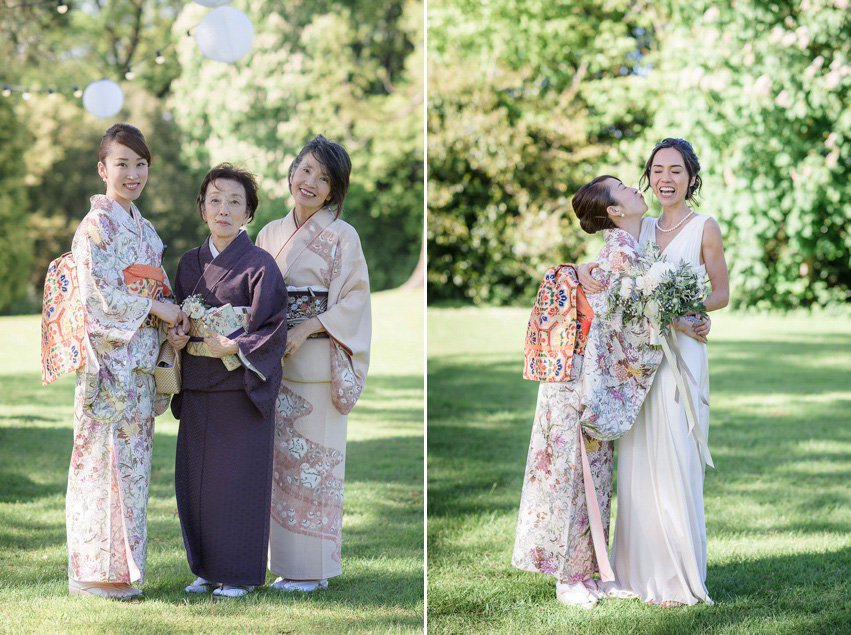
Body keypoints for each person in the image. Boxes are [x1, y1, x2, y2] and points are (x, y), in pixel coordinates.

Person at [580, 138, 729, 605]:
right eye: (658, 170)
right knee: (639, 464)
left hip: (682, 356)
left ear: (691, 178)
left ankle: (676, 577)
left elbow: (720, 294)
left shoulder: (704, 226)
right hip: (638, 362)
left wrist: (683, 310)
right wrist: (584, 270)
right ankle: (634, 573)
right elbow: (612, 283)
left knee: (677, 460)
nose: (666, 179)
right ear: (648, 176)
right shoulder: (636, 228)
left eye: (676, 171)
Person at [513, 176, 665, 608]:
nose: (637, 189)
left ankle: (584, 570)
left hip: (589, 376)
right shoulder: (620, 251)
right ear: (614, 211)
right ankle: (570, 578)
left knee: (588, 475)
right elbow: (619, 318)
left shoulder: (629, 247)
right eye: (624, 189)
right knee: (573, 475)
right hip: (580, 378)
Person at [66, 123, 186, 599]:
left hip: (137, 370)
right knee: (100, 465)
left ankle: (125, 573)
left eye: (140, 164)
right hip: (107, 368)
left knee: (134, 470)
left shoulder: (146, 228)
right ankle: (93, 573)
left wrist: (170, 324)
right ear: (103, 169)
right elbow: (94, 298)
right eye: (123, 164)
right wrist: (155, 307)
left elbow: (156, 289)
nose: (133, 173)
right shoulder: (95, 226)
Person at [255, 135, 371, 592]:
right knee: (281, 465)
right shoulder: (269, 233)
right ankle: (287, 564)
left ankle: (315, 568)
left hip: (318, 362)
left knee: (316, 465)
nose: (310, 182)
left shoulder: (343, 236)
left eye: (323, 179)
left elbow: (355, 299)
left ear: (333, 192)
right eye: (306, 170)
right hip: (276, 364)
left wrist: (305, 327)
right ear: (292, 171)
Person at [166, 164, 289, 598]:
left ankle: (239, 574)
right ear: (202, 209)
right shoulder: (188, 264)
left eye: (235, 201)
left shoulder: (260, 265)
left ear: (248, 213)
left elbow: (275, 328)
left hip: (240, 391)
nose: (224, 209)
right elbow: (179, 317)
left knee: (237, 482)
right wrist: (178, 335)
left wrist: (236, 347)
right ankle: (205, 570)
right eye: (215, 200)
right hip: (199, 387)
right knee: (197, 484)